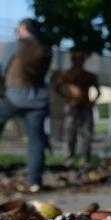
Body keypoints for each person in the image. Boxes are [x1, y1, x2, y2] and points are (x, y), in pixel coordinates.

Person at [0, 19, 52, 193]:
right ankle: (34, 181)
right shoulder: (46, 49)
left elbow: (2, 69)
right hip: (38, 99)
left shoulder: (14, 46)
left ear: (23, 29)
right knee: (36, 140)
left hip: (14, 96)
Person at [55, 49, 100, 165]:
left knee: (87, 134)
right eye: (76, 59)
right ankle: (68, 158)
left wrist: (92, 102)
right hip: (72, 107)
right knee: (70, 132)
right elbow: (57, 88)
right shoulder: (67, 74)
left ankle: (85, 158)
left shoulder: (89, 75)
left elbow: (98, 92)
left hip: (86, 107)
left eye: (81, 60)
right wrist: (67, 96)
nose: (79, 62)